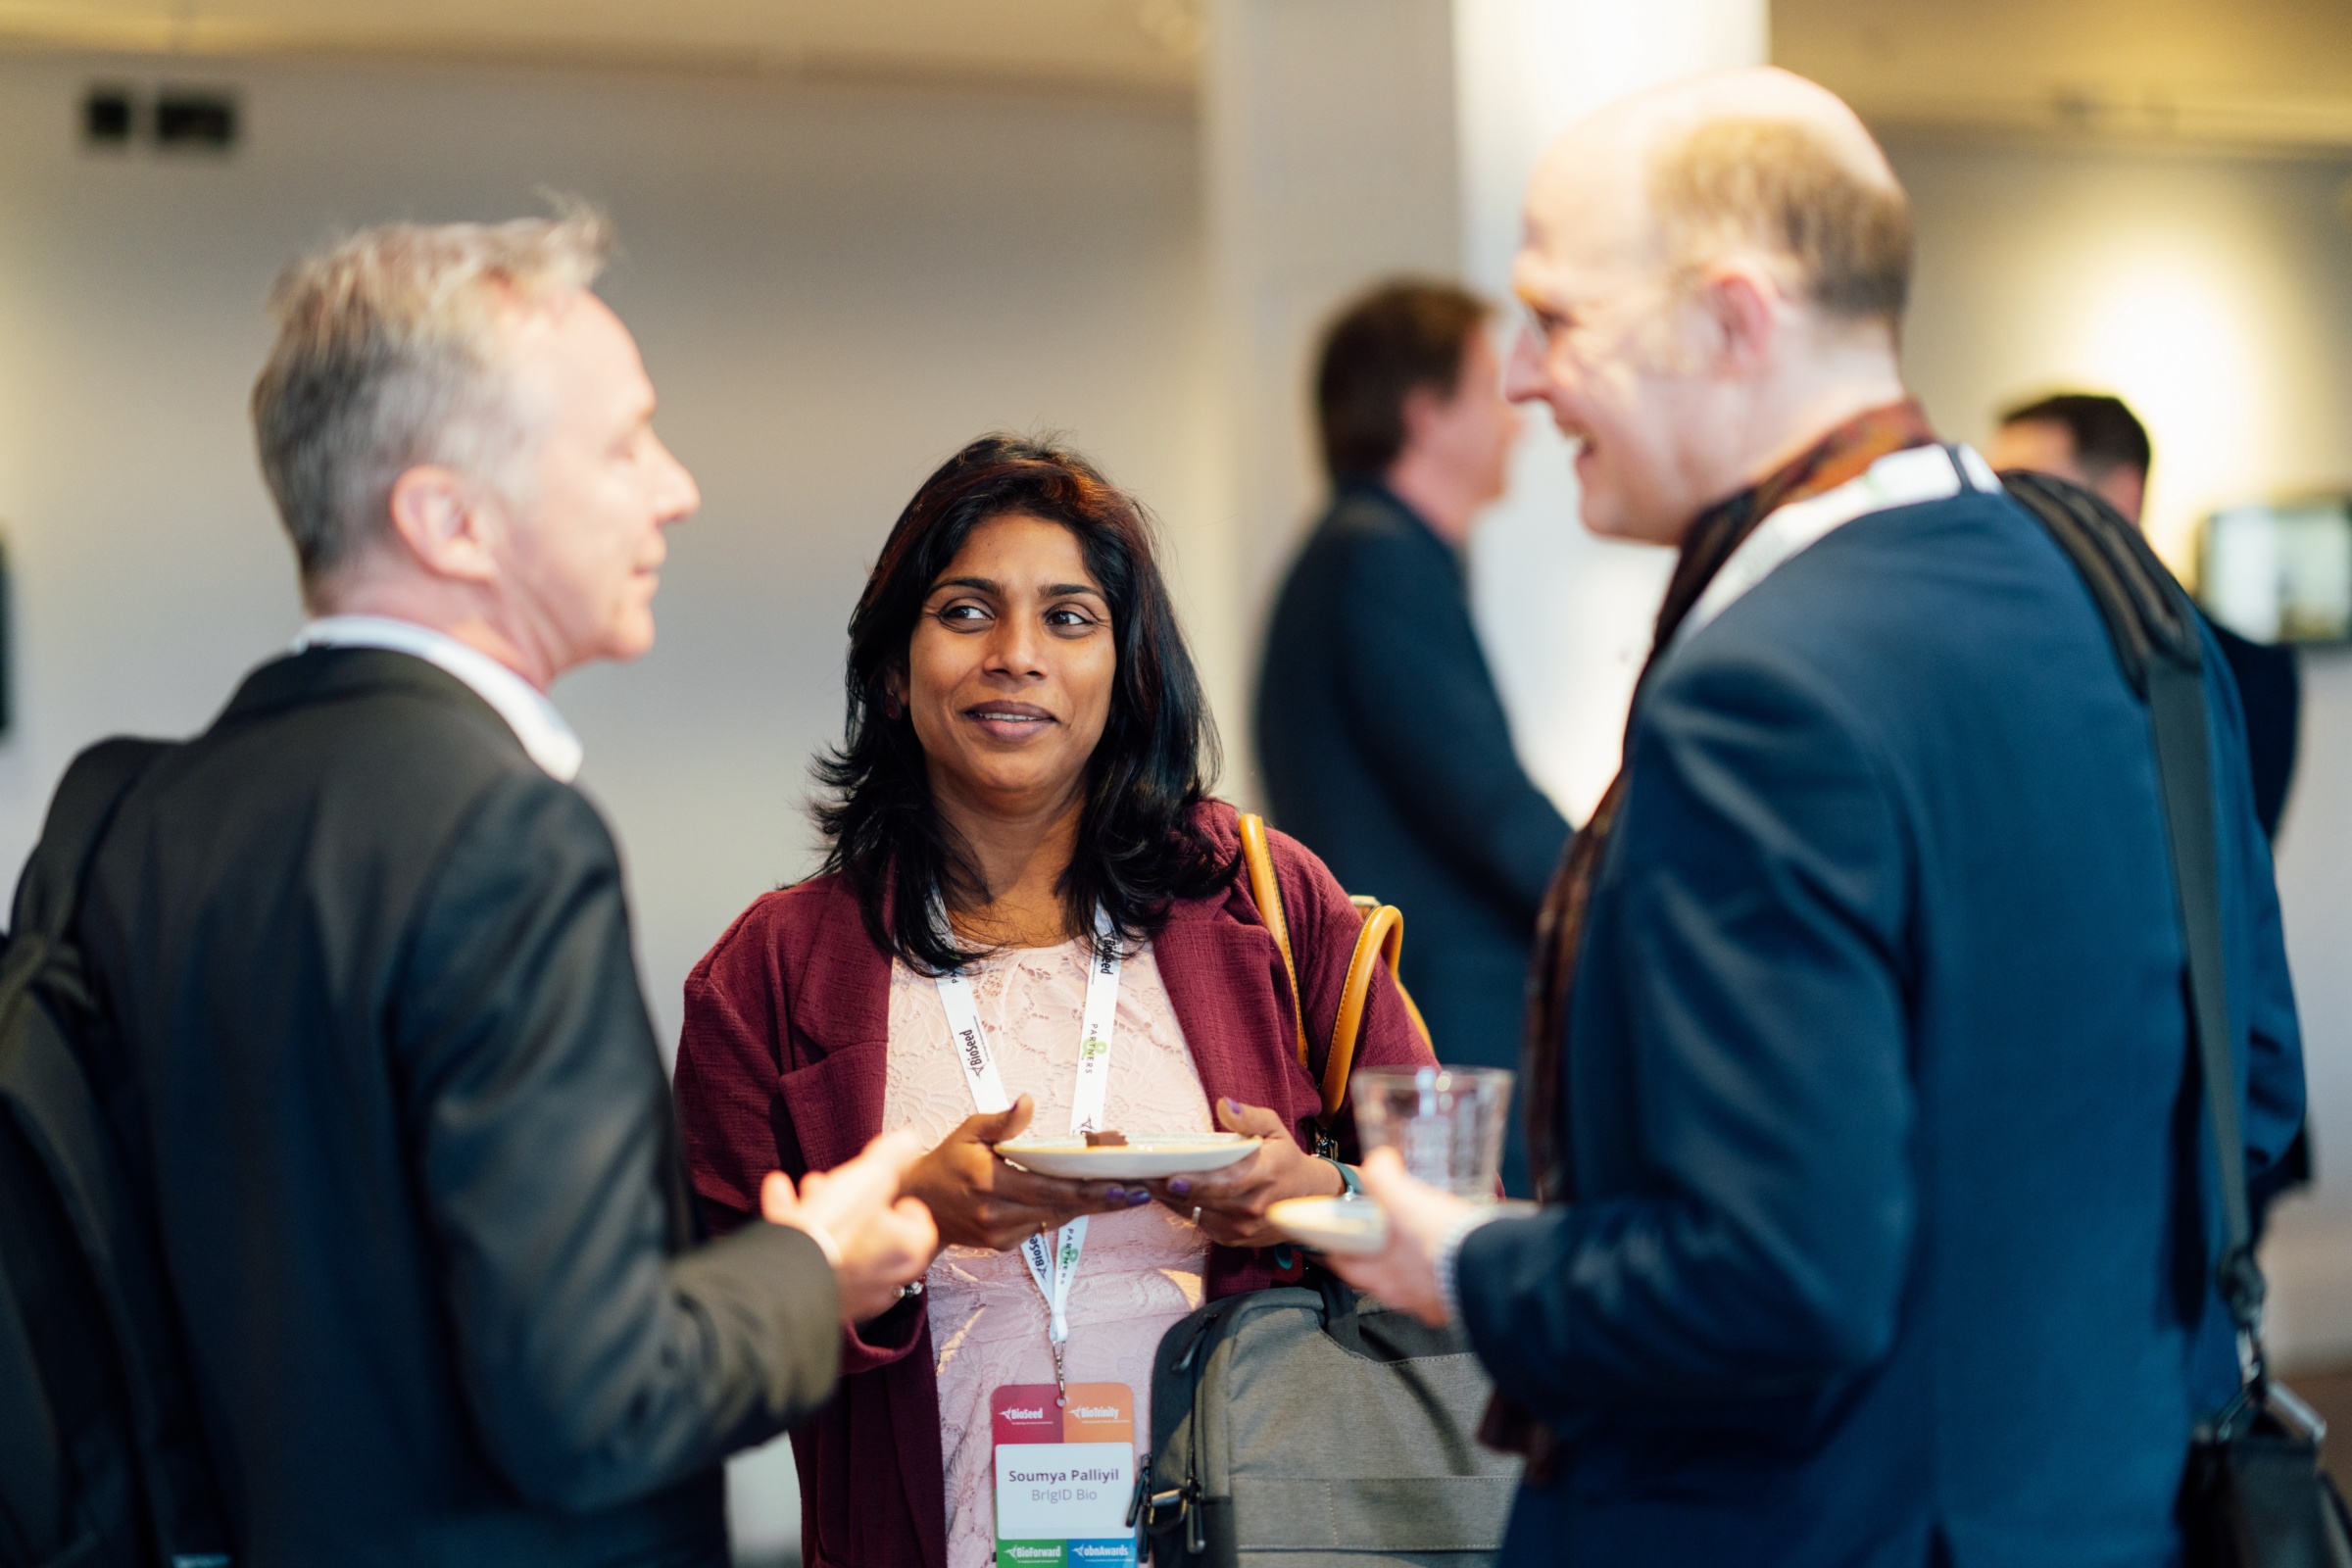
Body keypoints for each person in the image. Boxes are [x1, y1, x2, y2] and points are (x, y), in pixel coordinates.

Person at [1328, 69, 2305, 1566]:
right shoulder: (2130, 612)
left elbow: (1778, 1277)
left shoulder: (1765, 688)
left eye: (1559, 317)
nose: (1522, 375)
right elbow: (2249, 1097)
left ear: (1734, 318)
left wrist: (1470, 1265)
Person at [74, 212, 937, 1568]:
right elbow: (591, 1402)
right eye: (622, 443)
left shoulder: (150, 816)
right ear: (451, 520)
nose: (676, 488)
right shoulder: (505, 839)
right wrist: (811, 1269)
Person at [673, 434, 1436, 1568]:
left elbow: (1448, 1216)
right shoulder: (771, 973)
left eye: (1069, 619)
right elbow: (704, 1360)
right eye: (966, 612)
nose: (1016, 656)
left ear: (1127, 670)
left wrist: (1310, 1194)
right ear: (893, 669)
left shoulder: (1273, 904)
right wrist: (912, 1221)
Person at [1256, 279, 1569, 1196]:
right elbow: (1488, 805)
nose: (1517, 416)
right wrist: (1621, 904)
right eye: (1489, 389)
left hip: (1422, 1003)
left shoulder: (1349, 552)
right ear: (1427, 414)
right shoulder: (1381, 557)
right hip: (1445, 1013)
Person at [1990, 390, 2301, 838]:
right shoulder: (1999, 656)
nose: (2001, 515)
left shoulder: (2247, 673)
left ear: (2121, 496)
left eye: (2030, 490)